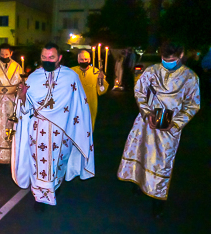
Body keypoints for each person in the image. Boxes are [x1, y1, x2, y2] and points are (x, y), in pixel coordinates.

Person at [117, 41, 200, 218]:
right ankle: (138, 184)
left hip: (169, 126)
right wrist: (147, 113)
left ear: (181, 55)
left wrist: (176, 122)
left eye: (172, 59)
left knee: (162, 163)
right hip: (146, 122)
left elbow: (193, 105)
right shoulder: (152, 71)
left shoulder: (190, 77)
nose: (167, 62)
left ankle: (158, 202)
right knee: (140, 153)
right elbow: (139, 92)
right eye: (164, 58)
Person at [11, 42, 95, 209]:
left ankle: (54, 186)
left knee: (58, 161)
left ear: (60, 58)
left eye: (51, 57)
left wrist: (78, 129)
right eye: (44, 57)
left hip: (61, 130)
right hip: (38, 129)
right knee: (38, 164)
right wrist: (21, 96)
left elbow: (79, 105)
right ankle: (40, 198)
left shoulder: (70, 77)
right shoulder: (34, 77)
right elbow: (26, 108)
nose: (47, 60)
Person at [71, 50, 109, 129]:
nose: (84, 61)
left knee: (89, 126)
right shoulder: (71, 72)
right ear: (78, 60)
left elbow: (102, 90)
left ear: (90, 60)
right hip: (75, 104)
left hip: (90, 104)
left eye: (86, 59)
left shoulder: (96, 72)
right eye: (82, 59)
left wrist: (101, 81)